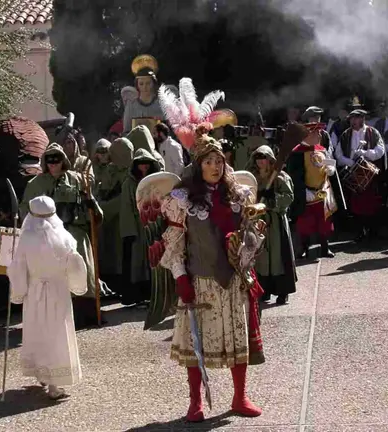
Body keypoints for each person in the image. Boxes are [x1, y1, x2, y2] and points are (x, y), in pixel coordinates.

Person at [159, 127, 264, 422]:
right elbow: (174, 243)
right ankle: (196, 402)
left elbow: (251, 236)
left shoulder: (238, 195)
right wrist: (181, 277)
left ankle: (240, 396)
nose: (215, 167)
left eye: (219, 161)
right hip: (200, 282)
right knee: (196, 344)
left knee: (237, 338)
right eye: (209, 162)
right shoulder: (182, 200)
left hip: (232, 281)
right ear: (198, 165)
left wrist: (249, 240)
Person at [8, 195, 87, 400]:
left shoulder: (25, 238)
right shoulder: (65, 236)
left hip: (35, 292)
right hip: (58, 291)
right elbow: (76, 265)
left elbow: (18, 267)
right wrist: (76, 285)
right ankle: (54, 384)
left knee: (38, 332)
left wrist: (17, 290)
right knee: (57, 334)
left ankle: (43, 374)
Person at [21, 143, 102, 327]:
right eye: (49, 159)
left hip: (75, 232)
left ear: (63, 160)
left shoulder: (77, 179)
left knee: (80, 268)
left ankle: (86, 314)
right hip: (47, 236)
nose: (53, 163)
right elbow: (26, 209)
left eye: (56, 158)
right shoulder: (35, 184)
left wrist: (90, 204)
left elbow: (91, 206)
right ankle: (57, 317)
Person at [247, 145, 296, 305]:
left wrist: (272, 199)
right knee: (261, 257)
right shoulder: (252, 177)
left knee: (278, 257)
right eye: (257, 157)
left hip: (275, 222)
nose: (260, 161)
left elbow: (289, 197)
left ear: (270, 159)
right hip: (258, 222)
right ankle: (264, 290)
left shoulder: (280, 176)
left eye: (263, 157)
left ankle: (283, 291)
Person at [286, 123, 339, 260]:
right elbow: (294, 176)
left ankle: (325, 247)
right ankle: (303, 248)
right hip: (307, 194)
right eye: (317, 133)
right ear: (308, 134)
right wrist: (303, 191)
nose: (320, 135)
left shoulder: (322, 149)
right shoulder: (297, 152)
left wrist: (331, 170)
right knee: (305, 223)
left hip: (323, 191)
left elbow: (328, 163)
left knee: (324, 221)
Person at [335, 109, 386, 241]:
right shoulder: (346, 134)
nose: (353, 121)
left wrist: (365, 154)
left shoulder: (373, 132)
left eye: (356, 118)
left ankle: (373, 231)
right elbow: (338, 154)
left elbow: (380, 150)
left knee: (371, 203)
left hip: (369, 172)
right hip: (353, 173)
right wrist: (350, 162)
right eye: (351, 118)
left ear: (362, 119)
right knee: (356, 204)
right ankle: (360, 232)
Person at [118, 148, 160, 305]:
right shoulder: (128, 184)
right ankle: (137, 295)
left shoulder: (154, 181)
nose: (144, 166)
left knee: (154, 260)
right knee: (137, 263)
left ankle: (154, 294)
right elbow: (126, 208)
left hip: (153, 224)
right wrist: (129, 231)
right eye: (141, 163)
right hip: (137, 226)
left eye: (147, 163)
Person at [96, 138, 133, 294]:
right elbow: (104, 188)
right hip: (109, 220)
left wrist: (104, 207)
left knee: (120, 254)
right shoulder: (111, 169)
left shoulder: (131, 172)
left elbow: (123, 198)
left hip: (121, 218)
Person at [123, 55, 165, 134]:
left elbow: (169, 129)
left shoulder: (161, 104)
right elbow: (126, 130)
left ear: (154, 83)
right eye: (141, 84)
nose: (145, 87)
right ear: (137, 85)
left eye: (148, 83)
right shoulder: (131, 105)